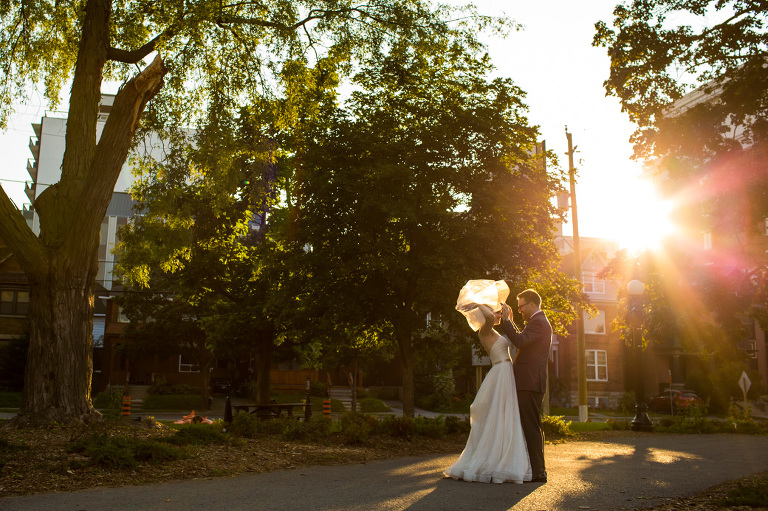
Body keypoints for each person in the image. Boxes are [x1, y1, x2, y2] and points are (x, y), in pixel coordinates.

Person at [444, 280, 532, 484]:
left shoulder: (496, 333)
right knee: (497, 414)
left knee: (506, 415)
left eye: (499, 314)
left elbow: (517, 339)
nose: (499, 316)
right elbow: (489, 316)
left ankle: (503, 458)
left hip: (506, 373)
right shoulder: (485, 330)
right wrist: (478, 302)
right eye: (497, 314)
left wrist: (507, 317)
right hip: (500, 372)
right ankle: (489, 461)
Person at [499, 288, 552, 483]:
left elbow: (520, 340)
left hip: (530, 383)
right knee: (530, 426)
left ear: (531, 304)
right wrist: (510, 321)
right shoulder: (536, 322)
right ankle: (534, 469)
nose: (520, 310)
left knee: (530, 426)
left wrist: (506, 321)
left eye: (521, 306)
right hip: (528, 381)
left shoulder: (539, 323)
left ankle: (539, 472)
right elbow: (523, 338)